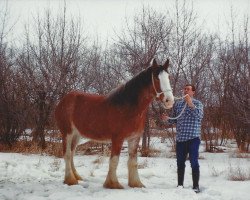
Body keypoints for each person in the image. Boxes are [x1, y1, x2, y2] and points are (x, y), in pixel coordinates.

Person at [163, 84, 203, 193]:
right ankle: (180, 185)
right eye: (184, 89)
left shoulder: (198, 103)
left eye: (188, 89)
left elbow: (199, 116)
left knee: (194, 162)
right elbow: (174, 119)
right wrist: (167, 118)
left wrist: (190, 103)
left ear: (193, 92)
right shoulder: (178, 105)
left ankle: (196, 186)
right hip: (181, 139)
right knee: (180, 162)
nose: (185, 90)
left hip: (193, 138)